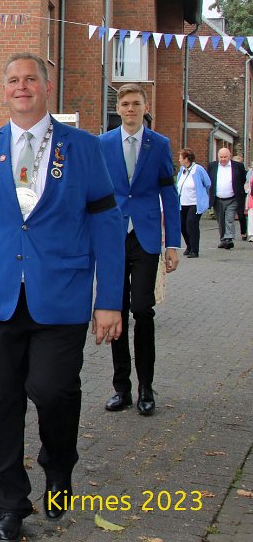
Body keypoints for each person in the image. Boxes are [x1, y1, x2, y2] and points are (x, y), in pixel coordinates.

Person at [0, 53, 125, 541]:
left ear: (46, 87)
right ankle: (9, 504)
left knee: (53, 390)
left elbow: (107, 226)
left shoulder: (83, 148)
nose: (21, 87)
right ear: (4, 90)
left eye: (30, 79)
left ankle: (58, 467)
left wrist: (109, 299)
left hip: (61, 295)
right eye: (12, 80)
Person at [98, 84, 180, 417]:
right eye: (125, 104)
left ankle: (146, 387)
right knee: (114, 309)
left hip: (145, 237)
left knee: (143, 310)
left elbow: (169, 195)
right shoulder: (103, 144)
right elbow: (94, 193)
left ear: (146, 108)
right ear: (118, 109)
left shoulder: (159, 144)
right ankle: (122, 388)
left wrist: (172, 243)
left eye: (136, 103)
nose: (130, 109)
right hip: (113, 237)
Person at [208, 148, 246, 250]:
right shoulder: (212, 166)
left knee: (229, 219)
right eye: (221, 157)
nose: (223, 159)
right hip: (217, 199)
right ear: (218, 157)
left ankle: (229, 239)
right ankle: (223, 240)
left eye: (225, 157)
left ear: (230, 156)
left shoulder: (238, 166)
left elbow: (243, 179)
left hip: (233, 198)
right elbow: (209, 180)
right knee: (221, 221)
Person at [176, 148, 210, 257]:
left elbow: (207, 183)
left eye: (180, 158)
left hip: (194, 203)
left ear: (186, 159)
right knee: (182, 226)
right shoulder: (182, 169)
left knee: (191, 225)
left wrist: (202, 194)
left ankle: (195, 250)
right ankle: (189, 245)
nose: (179, 160)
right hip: (182, 203)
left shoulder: (198, 169)